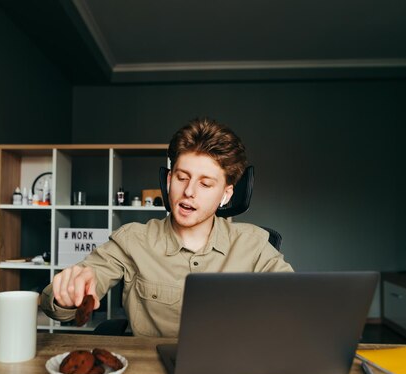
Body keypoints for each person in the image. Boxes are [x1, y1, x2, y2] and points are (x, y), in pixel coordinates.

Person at [40, 118, 293, 337]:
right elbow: (62, 298)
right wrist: (66, 294)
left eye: (205, 184)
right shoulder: (132, 240)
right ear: (170, 180)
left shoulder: (254, 244)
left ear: (226, 195)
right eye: (182, 178)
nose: (189, 192)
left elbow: (296, 301)